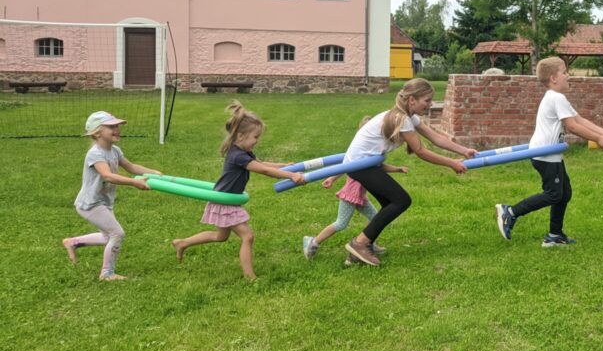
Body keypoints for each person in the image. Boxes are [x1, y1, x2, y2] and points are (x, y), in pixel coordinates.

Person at [340, 78, 475, 267]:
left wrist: (462, 150)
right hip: (360, 164)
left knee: (390, 203)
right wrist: (451, 163)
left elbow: (436, 138)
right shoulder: (401, 118)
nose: (430, 105)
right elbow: (421, 151)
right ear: (412, 100)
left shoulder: (408, 117)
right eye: (427, 100)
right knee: (402, 200)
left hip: (364, 163)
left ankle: (359, 250)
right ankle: (360, 243)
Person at [171, 102, 305, 280]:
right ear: (241, 136)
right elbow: (263, 171)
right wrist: (290, 176)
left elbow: (262, 163)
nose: (257, 140)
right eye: (255, 137)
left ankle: (182, 243)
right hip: (225, 201)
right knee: (247, 236)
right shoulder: (238, 156)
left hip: (227, 199)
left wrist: (284, 166)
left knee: (220, 236)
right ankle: (251, 278)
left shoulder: (243, 151)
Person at [494, 57, 603, 247]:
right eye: (564, 72)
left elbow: (579, 119)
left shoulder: (556, 98)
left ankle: (555, 235)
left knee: (564, 193)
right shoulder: (556, 98)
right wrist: (597, 139)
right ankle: (511, 212)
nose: (568, 76)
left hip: (550, 154)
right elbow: (572, 126)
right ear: (553, 78)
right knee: (554, 194)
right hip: (546, 155)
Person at [64, 111, 161, 281]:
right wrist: (134, 183)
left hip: (104, 201)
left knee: (108, 235)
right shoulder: (95, 154)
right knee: (117, 233)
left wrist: (152, 172)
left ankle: (73, 242)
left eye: (117, 126)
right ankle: (107, 273)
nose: (117, 129)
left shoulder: (115, 150)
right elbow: (107, 176)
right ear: (97, 132)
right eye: (111, 126)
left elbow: (131, 167)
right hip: (91, 203)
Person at [301, 115, 409, 263]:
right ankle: (313, 242)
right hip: (350, 195)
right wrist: (332, 178)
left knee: (376, 217)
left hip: (361, 197)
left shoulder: (373, 155)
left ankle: (366, 243)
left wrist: (397, 169)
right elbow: (344, 166)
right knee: (341, 223)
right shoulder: (357, 155)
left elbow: (380, 166)